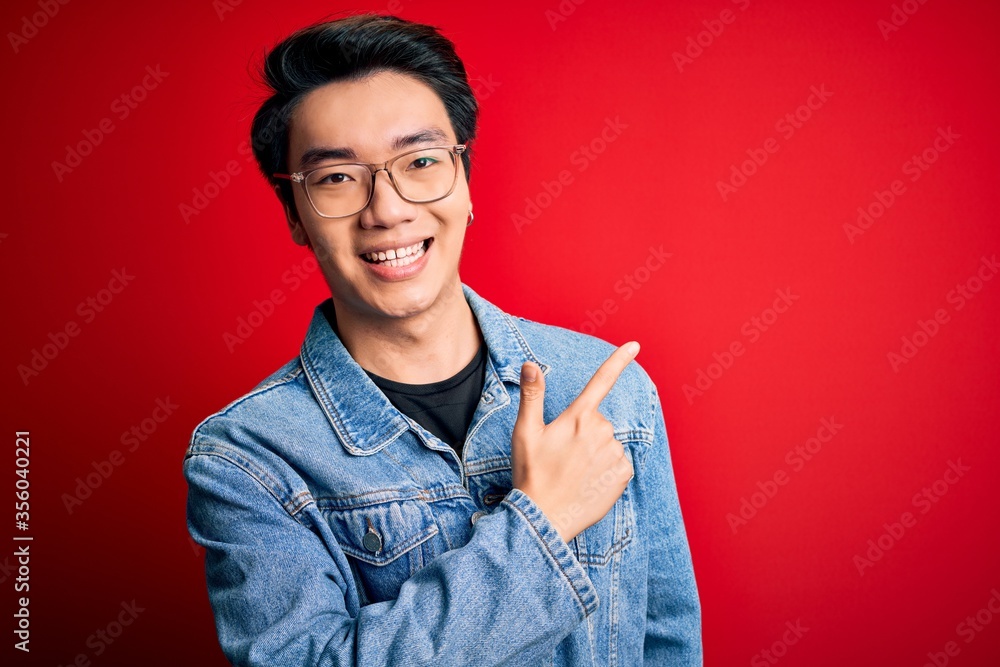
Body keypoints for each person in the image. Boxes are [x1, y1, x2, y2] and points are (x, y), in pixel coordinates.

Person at [183, 12, 701, 666]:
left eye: (421, 161)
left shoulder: (608, 394)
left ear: (464, 178)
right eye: (337, 177)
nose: (388, 208)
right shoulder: (248, 457)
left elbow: (667, 640)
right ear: (295, 215)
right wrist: (537, 529)